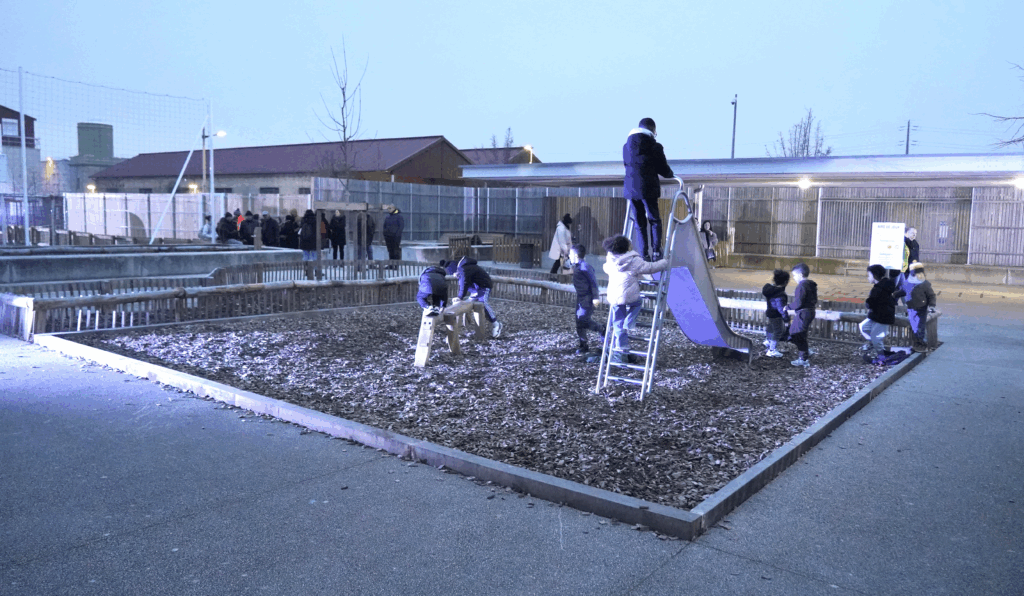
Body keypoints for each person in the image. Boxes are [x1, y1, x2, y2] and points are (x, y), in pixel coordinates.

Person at [602, 234, 670, 364]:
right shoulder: (633, 260)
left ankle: (621, 346)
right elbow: (650, 268)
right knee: (637, 302)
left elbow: (605, 268)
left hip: (614, 296)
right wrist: (664, 262)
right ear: (626, 247)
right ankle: (630, 321)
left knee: (617, 322)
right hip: (629, 295)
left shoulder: (610, 261)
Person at [623, 117, 674, 261]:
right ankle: (656, 251)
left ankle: (643, 254)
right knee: (654, 220)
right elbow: (663, 169)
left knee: (639, 222)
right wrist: (671, 174)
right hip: (648, 188)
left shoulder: (626, 147)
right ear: (652, 130)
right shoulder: (655, 146)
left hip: (631, 189)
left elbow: (626, 165)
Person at [569, 244, 604, 355]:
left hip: (587, 298)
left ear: (575, 255)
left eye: (570, 254)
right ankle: (583, 345)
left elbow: (593, 283)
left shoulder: (585, 267)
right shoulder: (577, 266)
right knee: (579, 321)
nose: (569, 256)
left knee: (583, 319)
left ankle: (601, 329)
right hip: (580, 298)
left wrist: (595, 298)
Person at [454, 256, 502, 338]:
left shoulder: (464, 269)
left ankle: (496, 325)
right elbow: (466, 282)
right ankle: (465, 322)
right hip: (476, 289)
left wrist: (460, 296)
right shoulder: (467, 268)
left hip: (483, 287)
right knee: (467, 303)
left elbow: (463, 283)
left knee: (483, 303)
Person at [893, 262, 937, 353]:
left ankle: (921, 344)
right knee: (914, 327)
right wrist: (894, 294)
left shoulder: (924, 284)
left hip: (921, 308)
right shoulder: (908, 282)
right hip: (911, 307)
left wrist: (932, 306)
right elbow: (903, 291)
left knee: (919, 327)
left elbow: (931, 296)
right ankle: (917, 344)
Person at [783, 263, 817, 367]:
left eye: (794, 275)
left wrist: (787, 307)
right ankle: (805, 351)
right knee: (801, 333)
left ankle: (803, 358)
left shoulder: (801, 286)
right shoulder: (811, 285)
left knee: (795, 334)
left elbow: (798, 303)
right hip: (810, 311)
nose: (794, 278)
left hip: (803, 313)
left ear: (801, 274)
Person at [861, 264, 897, 358]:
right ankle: (874, 343)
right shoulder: (880, 286)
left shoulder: (880, 288)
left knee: (876, 337)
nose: (868, 277)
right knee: (865, 327)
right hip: (876, 315)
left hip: (882, 317)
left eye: (869, 275)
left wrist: (869, 303)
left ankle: (882, 356)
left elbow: (875, 301)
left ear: (875, 275)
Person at [762, 269, 790, 358]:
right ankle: (772, 350)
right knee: (778, 331)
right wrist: (786, 319)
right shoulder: (780, 294)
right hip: (776, 315)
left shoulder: (770, 290)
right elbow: (781, 308)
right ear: (786, 282)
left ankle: (768, 341)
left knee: (770, 328)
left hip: (770, 312)